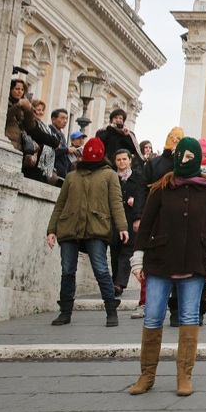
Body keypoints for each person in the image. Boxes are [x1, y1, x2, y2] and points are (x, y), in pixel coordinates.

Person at [128, 137, 206, 396]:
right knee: (152, 316)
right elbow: (145, 226)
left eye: (189, 157)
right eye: (181, 156)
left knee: (190, 318)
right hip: (160, 262)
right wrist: (138, 258)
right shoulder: (160, 188)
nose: (183, 161)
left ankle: (184, 376)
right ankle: (146, 375)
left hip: (195, 262)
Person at [45, 136, 127, 327]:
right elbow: (60, 204)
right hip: (69, 228)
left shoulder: (109, 175)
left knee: (100, 269)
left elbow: (116, 202)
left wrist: (122, 227)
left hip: (96, 227)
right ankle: (65, 311)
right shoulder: (72, 176)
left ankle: (111, 310)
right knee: (67, 271)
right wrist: (51, 229)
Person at [111, 149, 147, 298]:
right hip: (115, 220)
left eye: (124, 159)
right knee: (115, 251)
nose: (122, 162)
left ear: (130, 160)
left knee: (127, 251)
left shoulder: (138, 177)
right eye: (118, 160)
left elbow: (142, 194)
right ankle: (115, 281)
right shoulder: (112, 178)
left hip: (131, 219)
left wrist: (136, 205)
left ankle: (119, 283)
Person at [51, 108, 75, 181]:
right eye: (62, 118)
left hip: (62, 172)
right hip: (53, 170)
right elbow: (52, 150)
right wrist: (67, 149)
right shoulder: (50, 132)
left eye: (67, 119)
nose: (65, 121)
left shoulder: (61, 134)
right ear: (53, 119)